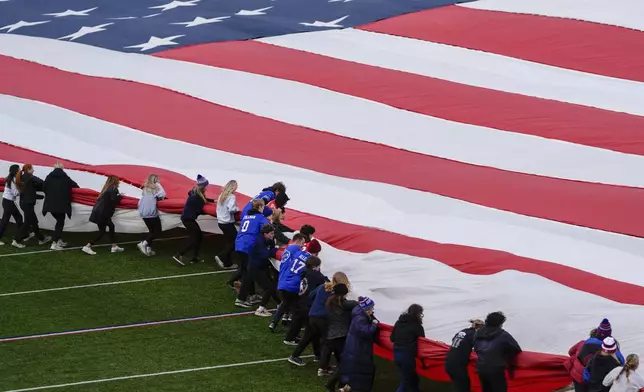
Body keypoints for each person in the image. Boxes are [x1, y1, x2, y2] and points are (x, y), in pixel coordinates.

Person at [289, 272, 351, 374]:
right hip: (323, 318)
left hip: (312, 315)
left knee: (308, 337)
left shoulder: (323, 286)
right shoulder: (336, 292)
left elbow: (310, 295)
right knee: (328, 342)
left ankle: (296, 356)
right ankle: (324, 367)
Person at [282, 239, 323, 345]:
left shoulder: (300, 252)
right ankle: (293, 337)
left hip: (288, 281)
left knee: (296, 312)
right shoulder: (311, 261)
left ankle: (292, 335)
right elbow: (314, 275)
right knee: (300, 314)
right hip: (296, 286)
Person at [231, 199, 270, 305]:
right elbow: (269, 228)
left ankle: (252, 295)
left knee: (247, 271)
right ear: (260, 207)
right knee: (249, 273)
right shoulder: (260, 218)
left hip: (239, 244)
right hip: (248, 246)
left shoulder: (246, 216)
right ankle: (241, 298)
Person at [322, 283, 359, 391]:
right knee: (346, 362)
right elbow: (356, 304)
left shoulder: (330, 302)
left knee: (342, 361)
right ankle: (332, 383)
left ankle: (341, 383)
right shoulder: (343, 303)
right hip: (341, 336)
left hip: (332, 335)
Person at [472, 311, 522, 392]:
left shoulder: (478, 333)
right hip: (496, 370)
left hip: (481, 368)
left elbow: (476, 347)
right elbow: (516, 349)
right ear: (500, 323)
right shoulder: (503, 335)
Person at [339, 297, 380, 392]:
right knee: (361, 371)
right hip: (359, 349)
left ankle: (347, 387)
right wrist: (374, 324)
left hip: (355, 347)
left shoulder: (358, 313)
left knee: (353, 370)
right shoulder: (360, 319)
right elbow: (365, 331)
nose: (372, 310)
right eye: (371, 308)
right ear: (366, 308)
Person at [237, 224, 279, 316]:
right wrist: (275, 250)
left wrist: (272, 247)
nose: (273, 235)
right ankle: (260, 309)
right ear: (265, 234)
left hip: (261, 266)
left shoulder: (264, 239)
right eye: (271, 233)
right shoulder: (258, 242)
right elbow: (265, 254)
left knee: (272, 286)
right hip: (256, 268)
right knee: (269, 287)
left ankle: (279, 303)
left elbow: (269, 248)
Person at [270, 233, 308, 331]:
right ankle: (293, 326)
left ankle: (276, 321)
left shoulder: (288, 249)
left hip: (283, 279)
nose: (302, 246)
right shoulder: (296, 250)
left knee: (285, 303)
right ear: (298, 241)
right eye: (302, 243)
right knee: (295, 304)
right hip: (290, 281)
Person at [173, 175, 210, 266]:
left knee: (199, 236)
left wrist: (212, 201)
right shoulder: (196, 197)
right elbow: (199, 209)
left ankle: (195, 257)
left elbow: (203, 200)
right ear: (204, 186)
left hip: (188, 218)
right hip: (188, 219)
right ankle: (179, 254)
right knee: (195, 237)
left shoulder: (195, 194)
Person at [83, 175, 123, 255]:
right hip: (103, 213)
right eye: (118, 180)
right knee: (103, 232)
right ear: (115, 181)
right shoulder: (113, 188)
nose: (119, 182)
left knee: (109, 227)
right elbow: (113, 200)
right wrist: (120, 196)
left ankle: (114, 246)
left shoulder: (106, 188)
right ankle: (88, 246)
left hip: (99, 212)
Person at [42, 163, 79, 250]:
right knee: (60, 223)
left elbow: (44, 188)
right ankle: (54, 243)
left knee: (59, 222)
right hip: (62, 205)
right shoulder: (65, 178)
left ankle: (58, 240)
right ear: (62, 168)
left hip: (50, 205)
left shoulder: (49, 177)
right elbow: (76, 186)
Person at [14, 164, 51, 248]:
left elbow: (28, 191)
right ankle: (16, 240)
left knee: (34, 222)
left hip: (24, 203)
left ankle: (41, 239)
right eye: (32, 169)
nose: (33, 170)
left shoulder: (22, 177)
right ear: (29, 169)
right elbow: (42, 182)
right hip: (28, 204)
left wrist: (41, 196)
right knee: (27, 223)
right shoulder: (30, 177)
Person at [391, 304, 426, 392]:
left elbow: (392, 338)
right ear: (418, 314)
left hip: (396, 354)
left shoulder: (399, 322)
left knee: (413, 378)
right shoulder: (417, 326)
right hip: (407, 356)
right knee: (406, 381)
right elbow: (423, 342)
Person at [445, 319, 485, 392]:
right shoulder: (474, 335)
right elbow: (481, 348)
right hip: (458, 366)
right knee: (464, 386)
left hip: (448, 362)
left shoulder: (462, 331)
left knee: (459, 386)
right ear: (479, 327)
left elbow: (455, 341)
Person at [137, 174, 166, 256]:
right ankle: (143, 243)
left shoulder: (145, 187)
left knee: (151, 231)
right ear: (155, 179)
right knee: (157, 231)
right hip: (150, 210)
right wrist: (157, 197)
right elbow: (163, 194)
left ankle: (149, 249)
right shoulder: (156, 185)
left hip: (143, 211)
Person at [215, 180, 239, 270]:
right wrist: (237, 208)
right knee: (235, 241)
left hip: (221, 222)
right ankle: (221, 256)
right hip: (227, 223)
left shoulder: (221, 195)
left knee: (229, 241)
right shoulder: (231, 196)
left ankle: (227, 263)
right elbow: (231, 209)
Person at [0, 165, 26, 246]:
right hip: (8, 202)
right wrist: (23, 190)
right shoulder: (13, 180)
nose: (20, 170)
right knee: (5, 221)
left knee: (18, 217)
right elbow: (15, 193)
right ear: (16, 171)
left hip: (7, 201)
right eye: (19, 169)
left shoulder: (11, 178)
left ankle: (24, 234)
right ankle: (22, 235)